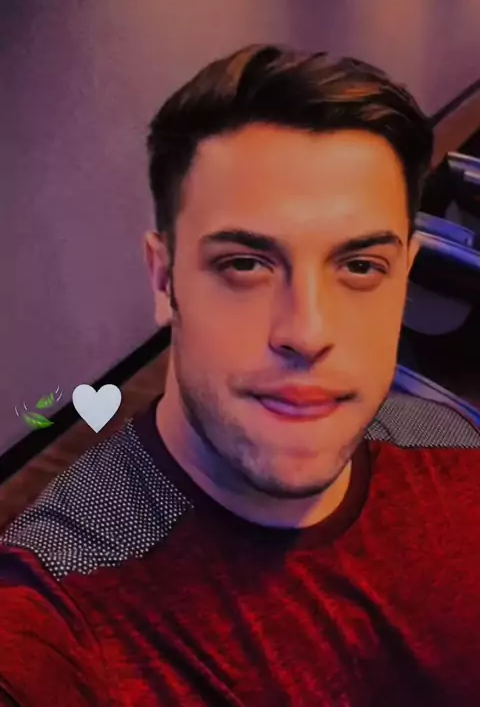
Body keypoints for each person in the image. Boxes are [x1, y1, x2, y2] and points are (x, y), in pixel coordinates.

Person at [1, 45, 479, 707]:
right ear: (164, 282)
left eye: (360, 266)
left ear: (405, 279)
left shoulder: (451, 439)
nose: (307, 332)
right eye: (246, 265)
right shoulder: (60, 600)